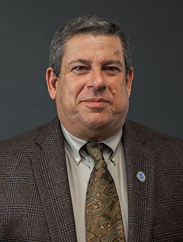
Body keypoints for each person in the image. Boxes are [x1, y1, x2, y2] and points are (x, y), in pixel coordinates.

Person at [0, 15, 183, 242]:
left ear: (128, 82)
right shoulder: (4, 167)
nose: (97, 82)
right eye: (80, 68)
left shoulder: (177, 160)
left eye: (110, 68)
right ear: (53, 83)